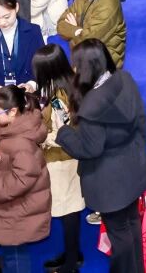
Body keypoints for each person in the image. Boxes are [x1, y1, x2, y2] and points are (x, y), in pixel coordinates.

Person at [56, 40, 146, 273]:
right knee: (132, 224)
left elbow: (90, 148)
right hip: (134, 168)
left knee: (119, 234)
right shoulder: (124, 79)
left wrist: (63, 132)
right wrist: (136, 152)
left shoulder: (92, 106)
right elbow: (141, 121)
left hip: (109, 183)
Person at [0, 84, 51, 270]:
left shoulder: (21, 142)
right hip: (12, 208)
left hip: (17, 211)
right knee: (11, 254)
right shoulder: (8, 132)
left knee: (15, 256)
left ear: (13, 111)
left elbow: (22, 179)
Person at [32, 44, 86, 272]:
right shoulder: (70, 84)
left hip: (62, 160)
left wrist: (42, 139)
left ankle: (71, 263)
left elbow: (64, 132)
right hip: (68, 159)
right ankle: (73, 254)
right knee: (69, 210)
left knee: (67, 210)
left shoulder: (59, 96)